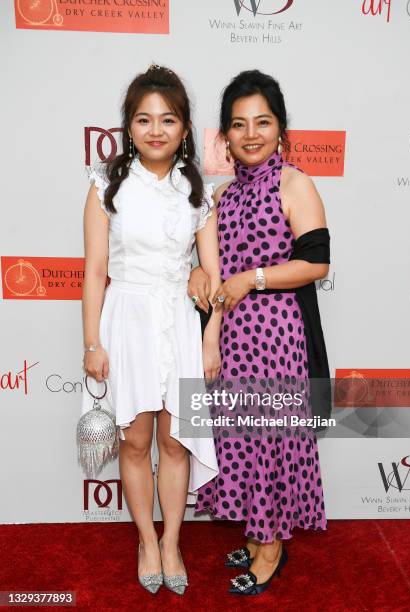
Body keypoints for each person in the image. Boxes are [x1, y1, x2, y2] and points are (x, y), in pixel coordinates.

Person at [81, 65, 221, 595]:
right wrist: (92, 340)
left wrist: (210, 338)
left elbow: (213, 276)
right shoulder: (104, 186)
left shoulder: (197, 193)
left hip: (182, 326)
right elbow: (96, 269)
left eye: (168, 119)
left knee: (177, 442)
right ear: (129, 126)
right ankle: (145, 538)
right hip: (127, 321)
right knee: (135, 441)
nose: (156, 129)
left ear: (185, 128)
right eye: (144, 119)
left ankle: (172, 541)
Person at [190, 69, 331, 596]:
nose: (251, 134)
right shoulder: (222, 196)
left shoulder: (295, 183)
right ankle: (256, 536)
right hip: (230, 338)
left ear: (280, 127)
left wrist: (254, 279)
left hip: (278, 338)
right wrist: (199, 274)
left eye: (263, 122)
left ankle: (271, 549)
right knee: (240, 440)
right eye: (239, 124)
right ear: (224, 136)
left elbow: (316, 264)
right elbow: (209, 264)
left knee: (270, 440)